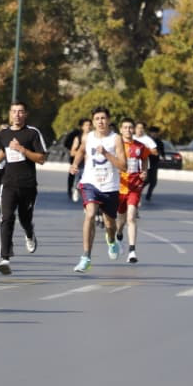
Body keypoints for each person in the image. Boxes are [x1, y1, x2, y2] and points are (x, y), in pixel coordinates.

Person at [0, 101, 48, 275]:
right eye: (14, 111)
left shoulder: (32, 133)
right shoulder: (4, 133)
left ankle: (29, 233)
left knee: (24, 219)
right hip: (8, 183)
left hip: (27, 185)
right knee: (6, 218)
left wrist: (22, 149)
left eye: (20, 112)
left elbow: (41, 158)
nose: (17, 114)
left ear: (26, 114)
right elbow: (3, 151)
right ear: (10, 114)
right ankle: (5, 258)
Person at [68, 107, 123, 272]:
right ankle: (86, 257)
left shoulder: (116, 139)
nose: (100, 121)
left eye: (103, 118)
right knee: (90, 214)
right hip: (90, 183)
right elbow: (81, 151)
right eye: (97, 118)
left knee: (110, 223)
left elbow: (123, 165)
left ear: (109, 120)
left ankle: (112, 240)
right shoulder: (89, 137)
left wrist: (106, 153)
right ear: (93, 122)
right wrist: (75, 164)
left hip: (110, 186)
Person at [113, 118, 149, 263]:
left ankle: (132, 251)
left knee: (131, 217)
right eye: (125, 128)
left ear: (133, 130)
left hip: (135, 186)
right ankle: (119, 234)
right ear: (121, 130)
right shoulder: (116, 146)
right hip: (120, 187)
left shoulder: (140, 146)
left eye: (130, 128)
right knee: (121, 219)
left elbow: (145, 159)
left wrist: (144, 171)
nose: (128, 130)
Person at [62, 117, 89, 203]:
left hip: (90, 164)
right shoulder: (78, 137)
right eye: (86, 125)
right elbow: (72, 151)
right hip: (80, 163)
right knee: (77, 178)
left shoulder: (95, 137)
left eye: (90, 125)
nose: (88, 127)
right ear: (82, 127)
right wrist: (81, 154)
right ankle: (74, 189)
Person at [144, 125, 166, 202]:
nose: (154, 134)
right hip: (146, 162)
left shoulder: (159, 142)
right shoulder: (146, 141)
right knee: (146, 180)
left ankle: (148, 195)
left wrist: (163, 157)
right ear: (150, 133)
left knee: (153, 181)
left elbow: (162, 152)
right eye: (153, 133)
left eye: (156, 133)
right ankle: (137, 191)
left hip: (155, 163)